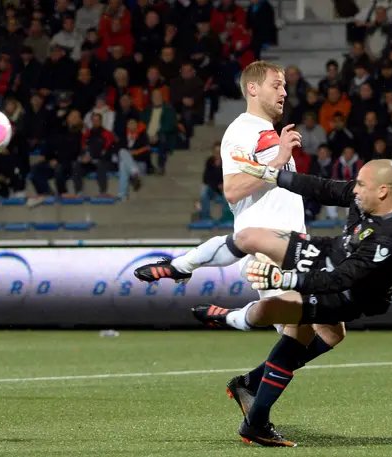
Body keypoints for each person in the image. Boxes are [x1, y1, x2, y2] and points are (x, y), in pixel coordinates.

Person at [134, 60, 310, 446]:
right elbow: (231, 190)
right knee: (300, 325)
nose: (284, 92)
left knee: (332, 331)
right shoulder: (241, 131)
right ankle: (257, 421)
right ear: (253, 89)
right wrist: (278, 161)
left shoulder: (270, 133)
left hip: (296, 246)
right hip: (266, 247)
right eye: (277, 85)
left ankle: (250, 383)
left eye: (284, 87)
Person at [190, 158, 392, 447]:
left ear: (383, 191)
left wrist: (286, 280)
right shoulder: (365, 198)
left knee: (303, 325)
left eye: (361, 185)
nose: (354, 190)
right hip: (330, 263)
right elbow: (323, 188)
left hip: (349, 295)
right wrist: (274, 175)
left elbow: (341, 280)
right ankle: (254, 413)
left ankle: (241, 348)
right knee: (316, 331)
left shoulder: (389, 236)